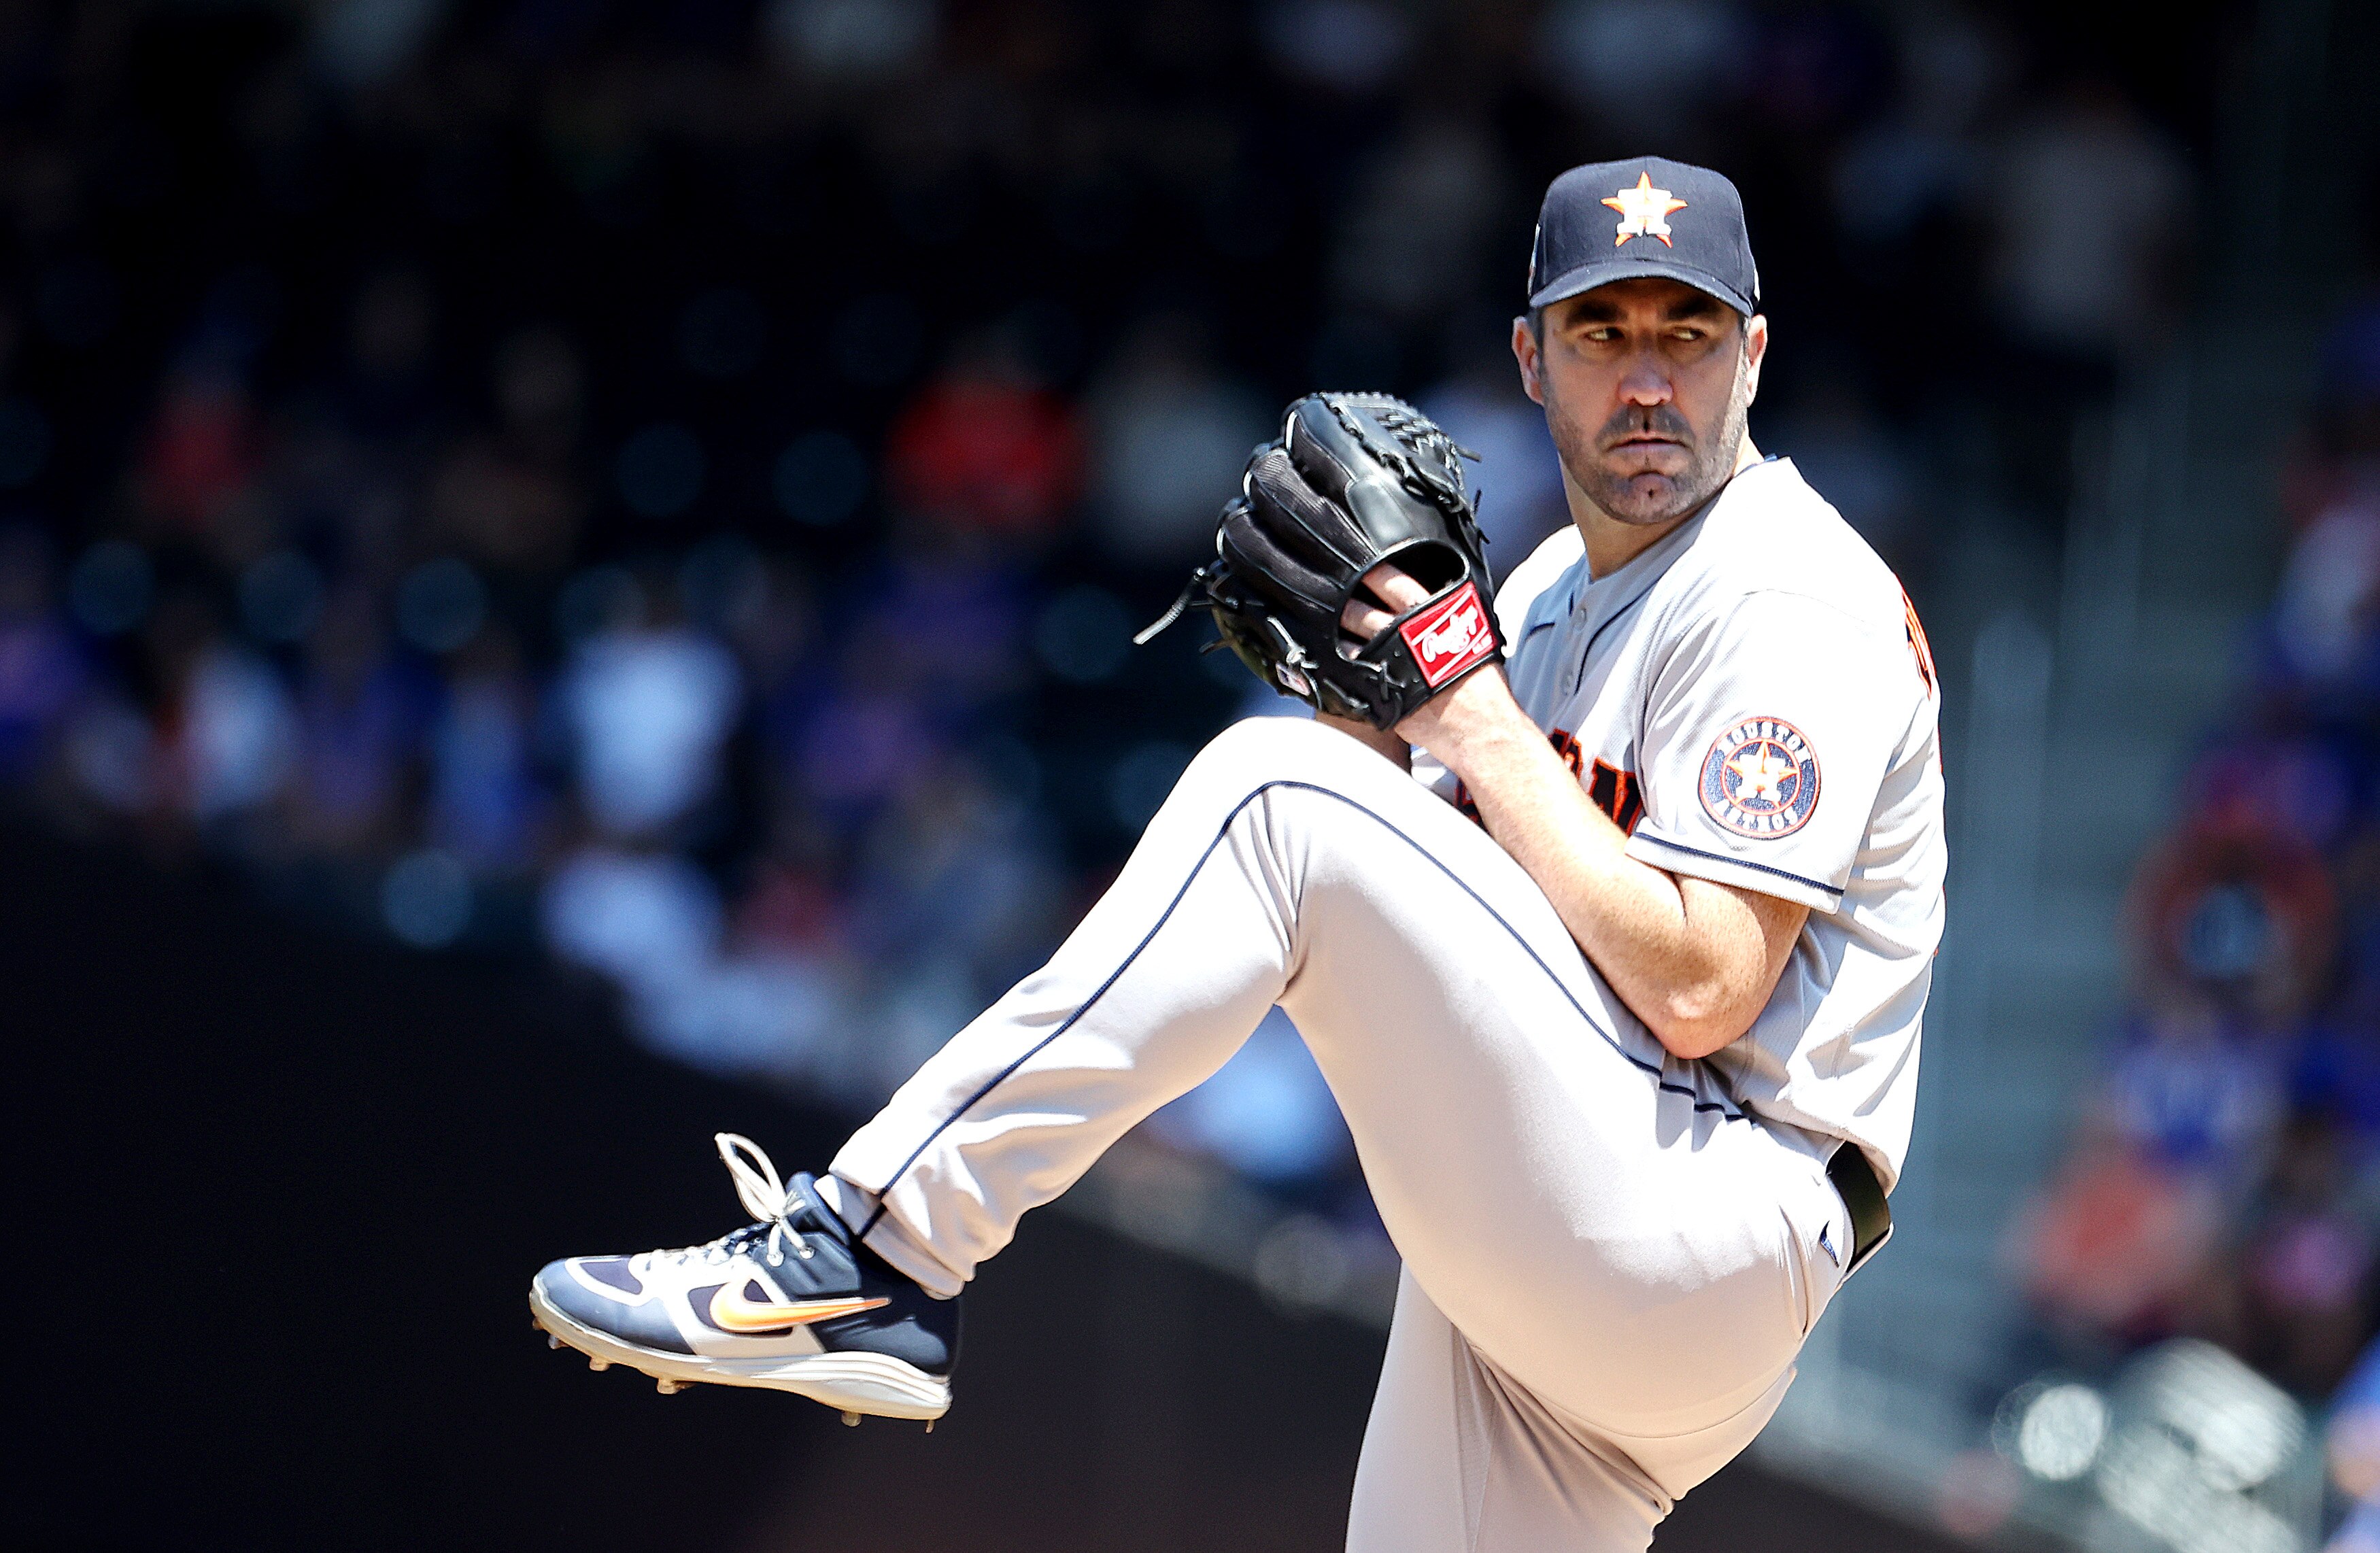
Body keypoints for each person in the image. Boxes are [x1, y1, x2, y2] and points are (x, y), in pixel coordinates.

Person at [528, 158, 1947, 1552]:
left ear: (1751, 354)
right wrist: (1375, 706)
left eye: (1687, 333)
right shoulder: (1551, 592)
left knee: (1277, 789)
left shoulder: (1784, 589)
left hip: (1709, 1208)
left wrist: (1453, 705)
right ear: (1531, 360)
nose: (1648, 379)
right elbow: (1437, 911)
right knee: (1305, 776)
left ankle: (872, 1250)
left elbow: (1705, 988)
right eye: (1602, 332)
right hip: (1573, 1257)